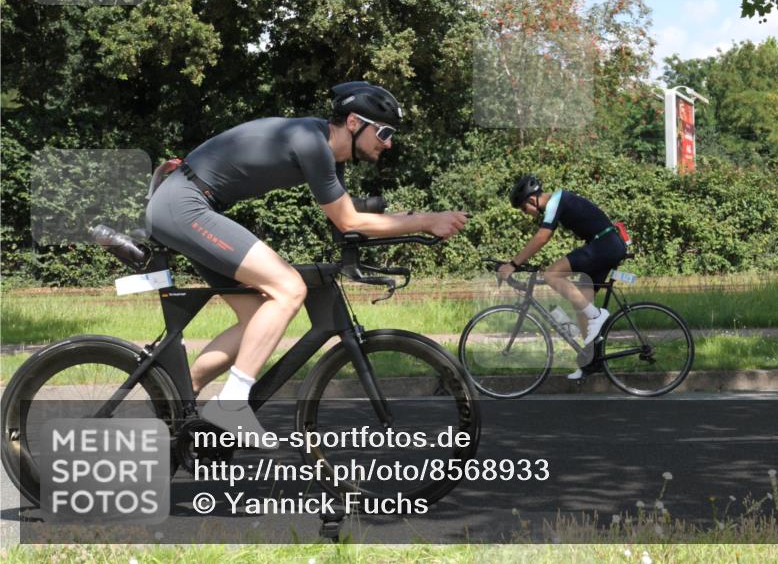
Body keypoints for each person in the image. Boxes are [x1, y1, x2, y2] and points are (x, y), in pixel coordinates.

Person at [145, 82, 467, 440]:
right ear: (353, 122)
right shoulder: (311, 142)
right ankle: (232, 403)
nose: (389, 142)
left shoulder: (326, 152)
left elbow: (347, 220)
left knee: (255, 315)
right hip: (184, 206)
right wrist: (426, 219)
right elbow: (348, 221)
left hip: (188, 205)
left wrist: (413, 222)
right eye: (385, 132)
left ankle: (178, 398)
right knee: (288, 288)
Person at [498, 175, 627, 379]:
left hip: (605, 245)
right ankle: (590, 362)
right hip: (606, 245)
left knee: (551, 274)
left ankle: (597, 316)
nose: (526, 213)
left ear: (532, 200)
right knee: (581, 303)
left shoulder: (557, 200)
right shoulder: (558, 202)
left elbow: (543, 237)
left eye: (524, 209)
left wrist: (513, 264)